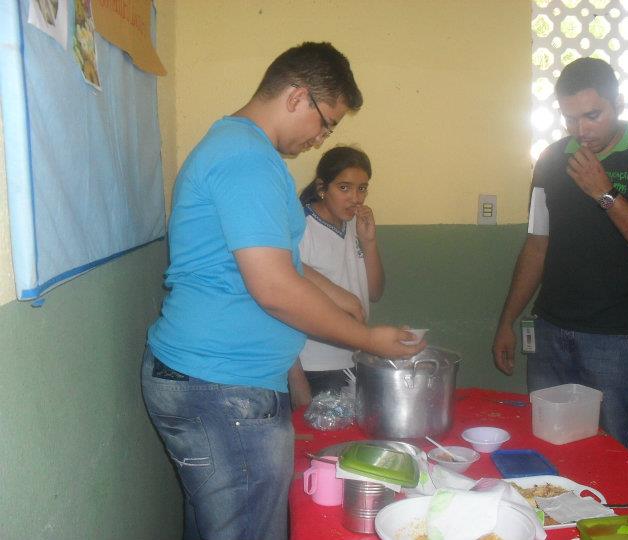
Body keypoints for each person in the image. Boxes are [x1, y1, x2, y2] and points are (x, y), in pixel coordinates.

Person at [141, 42, 424, 540]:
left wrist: (337, 296)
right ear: (297, 97)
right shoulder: (246, 159)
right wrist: (367, 339)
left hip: (218, 380)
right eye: (326, 123)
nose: (321, 138)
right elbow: (273, 287)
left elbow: (277, 261)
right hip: (221, 385)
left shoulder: (245, 151)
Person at [491, 57, 628, 456]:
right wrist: (507, 321)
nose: (581, 130)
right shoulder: (551, 160)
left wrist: (604, 193)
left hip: (617, 339)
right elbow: (537, 244)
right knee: (548, 449)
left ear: (618, 103)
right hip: (550, 332)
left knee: (613, 454)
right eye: (570, 118)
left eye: (592, 115)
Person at [288, 146, 383, 408]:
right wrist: (296, 378)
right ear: (322, 188)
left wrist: (369, 242)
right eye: (344, 188)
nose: (355, 198)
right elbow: (283, 306)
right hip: (313, 365)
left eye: (362, 188)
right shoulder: (301, 227)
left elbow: (375, 292)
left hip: (354, 358)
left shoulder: (354, 224)